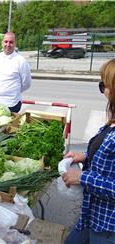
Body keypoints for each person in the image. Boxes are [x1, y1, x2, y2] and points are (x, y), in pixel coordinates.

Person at [63, 59, 115, 244]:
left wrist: (82, 177)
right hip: (92, 214)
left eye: (105, 85)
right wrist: (85, 156)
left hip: (108, 226)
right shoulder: (113, 120)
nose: (103, 91)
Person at [0, 32, 31, 113]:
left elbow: (27, 83)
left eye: (11, 42)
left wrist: (13, 91)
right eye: (6, 41)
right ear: (2, 42)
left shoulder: (21, 61)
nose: (8, 44)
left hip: (11, 104)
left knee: (8, 126)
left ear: (15, 44)